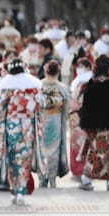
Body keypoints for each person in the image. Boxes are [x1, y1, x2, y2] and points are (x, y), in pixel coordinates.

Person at [0, 59, 44, 205]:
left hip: (11, 125)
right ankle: (21, 189)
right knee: (24, 158)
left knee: (12, 157)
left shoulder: (4, 86)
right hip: (27, 125)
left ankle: (14, 190)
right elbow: (41, 104)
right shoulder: (33, 85)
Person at [78, 55, 109, 191]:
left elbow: (84, 105)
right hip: (108, 126)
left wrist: (85, 122)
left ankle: (86, 179)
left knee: (93, 152)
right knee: (108, 153)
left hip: (92, 126)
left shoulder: (91, 84)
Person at [39, 60, 70, 188]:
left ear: (46, 71)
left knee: (41, 149)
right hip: (56, 120)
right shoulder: (62, 88)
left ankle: (42, 178)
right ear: (58, 72)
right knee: (54, 150)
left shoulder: (38, 85)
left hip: (41, 120)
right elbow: (66, 108)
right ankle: (52, 178)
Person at [69, 58, 92, 179]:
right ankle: (88, 170)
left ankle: (78, 170)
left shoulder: (77, 82)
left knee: (77, 144)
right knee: (88, 143)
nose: (79, 69)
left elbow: (72, 101)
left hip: (77, 116)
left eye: (81, 66)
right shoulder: (95, 80)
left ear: (88, 67)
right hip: (89, 116)